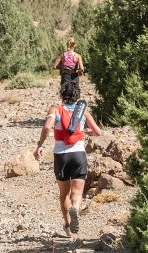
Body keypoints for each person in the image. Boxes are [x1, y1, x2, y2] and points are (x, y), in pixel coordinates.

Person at [34, 80, 102, 236]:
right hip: (78, 154)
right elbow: (98, 132)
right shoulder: (83, 111)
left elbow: (47, 127)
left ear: (61, 94)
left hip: (61, 156)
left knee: (64, 193)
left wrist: (40, 145)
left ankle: (67, 225)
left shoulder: (56, 110)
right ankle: (75, 209)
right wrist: (85, 131)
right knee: (77, 193)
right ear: (77, 95)